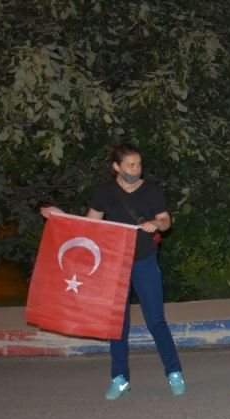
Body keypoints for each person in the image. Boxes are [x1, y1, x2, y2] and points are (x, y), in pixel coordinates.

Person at [41, 142, 185, 400]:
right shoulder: (105, 192)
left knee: (156, 320)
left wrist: (156, 222)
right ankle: (120, 378)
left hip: (144, 261)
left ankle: (174, 372)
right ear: (116, 167)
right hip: (114, 265)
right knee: (117, 324)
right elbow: (88, 225)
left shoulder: (150, 190)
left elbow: (166, 220)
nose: (136, 169)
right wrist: (61, 216)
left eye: (139, 164)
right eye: (131, 165)